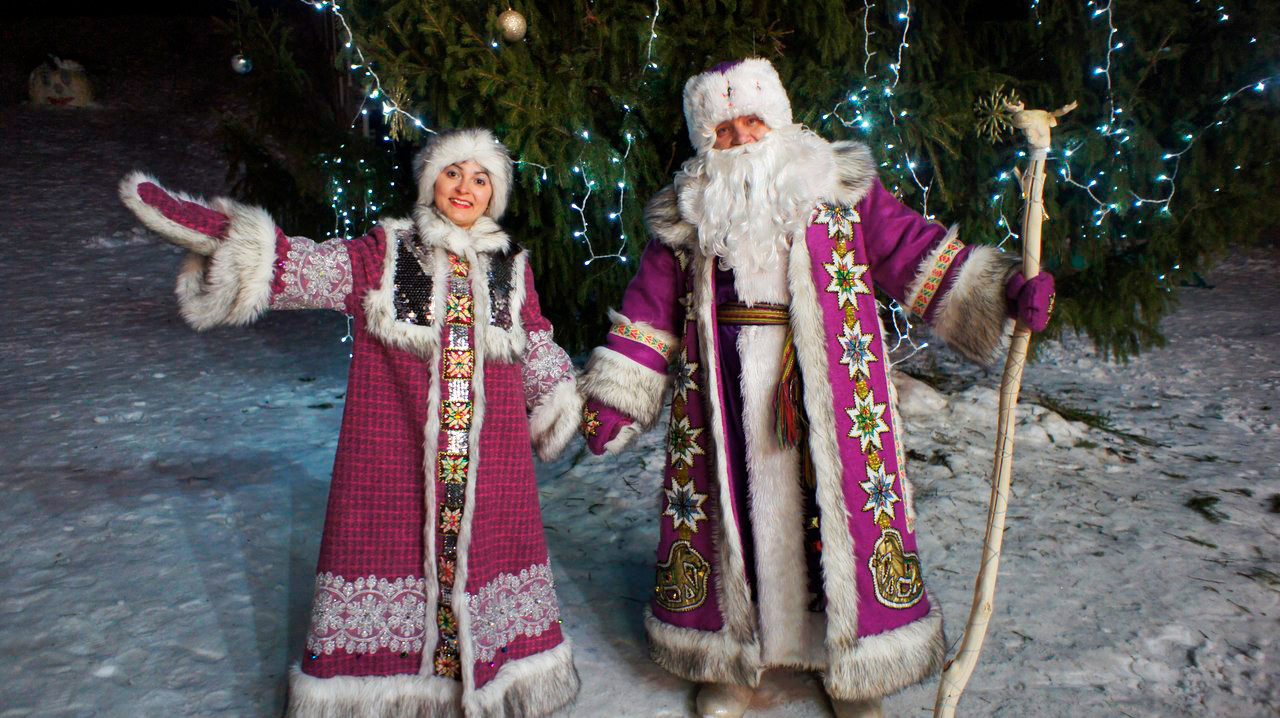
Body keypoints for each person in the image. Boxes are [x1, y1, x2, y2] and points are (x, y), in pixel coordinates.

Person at [577, 59, 1054, 718]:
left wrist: (1001, 293)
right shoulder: (686, 217)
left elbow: (913, 253)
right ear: (704, 140)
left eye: (752, 121)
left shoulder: (838, 189)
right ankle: (734, 661)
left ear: (777, 120)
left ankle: (848, 666)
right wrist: (615, 397)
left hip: (830, 390)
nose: (742, 138)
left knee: (838, 513)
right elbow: (649, 312)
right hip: (724, 398)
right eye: (724, 129)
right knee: (731, 516)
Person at [118, 128, 582, 717]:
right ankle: (398, 696)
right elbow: (299, 265)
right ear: (430, 183)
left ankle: (490, 682)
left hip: (493, 470)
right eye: (452, 173)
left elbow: (535, 335)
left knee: (489, 567)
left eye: (480, 177)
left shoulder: (513, 268)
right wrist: (225, 237)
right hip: (395, 456)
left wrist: (561, 400)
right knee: (391, 555)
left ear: (495, 193)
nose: (464, 186)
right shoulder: (383, 255)